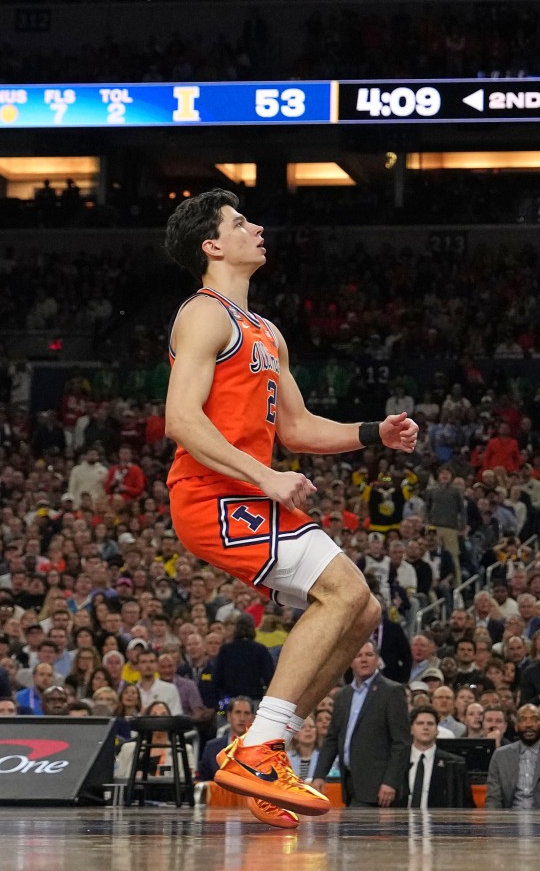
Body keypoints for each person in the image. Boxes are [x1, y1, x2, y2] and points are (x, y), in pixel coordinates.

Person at [162, 189, 417, 827]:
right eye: (239, 222)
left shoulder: (266, 330)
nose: (256, 226)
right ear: (211, 246)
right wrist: (267, 477)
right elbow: (181, 419)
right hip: (212, 494)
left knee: (364, 611)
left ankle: (261, 747)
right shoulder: (202, 313)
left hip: (248, 489)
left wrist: (373, 433)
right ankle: (259, 748)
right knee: (343, 591)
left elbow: (297, 428)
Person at [315, 642, 410, 808]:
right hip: (350, 785)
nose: (364, 660)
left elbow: (401, 743)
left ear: (377, 659)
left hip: (381, 790)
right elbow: (332, 739)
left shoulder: (392, 691)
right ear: (351, 662)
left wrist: (390, 782)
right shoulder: (343, 695)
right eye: (358, 656)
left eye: (369, 655)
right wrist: (319, 775)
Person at [405, 706, 473, 809]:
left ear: (437, 730)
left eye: (430, 724)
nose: (425, 727)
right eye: (420, 723)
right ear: (411, 729)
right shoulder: (397, 761)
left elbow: (466, 804)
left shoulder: (454, 764)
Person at [203, 697, 254, 780]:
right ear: (229, 716)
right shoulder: (212, 747)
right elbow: (203, 780)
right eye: (237, 712)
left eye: (246, 713)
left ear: (252, 718)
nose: (242, 718)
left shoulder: (261, 748)